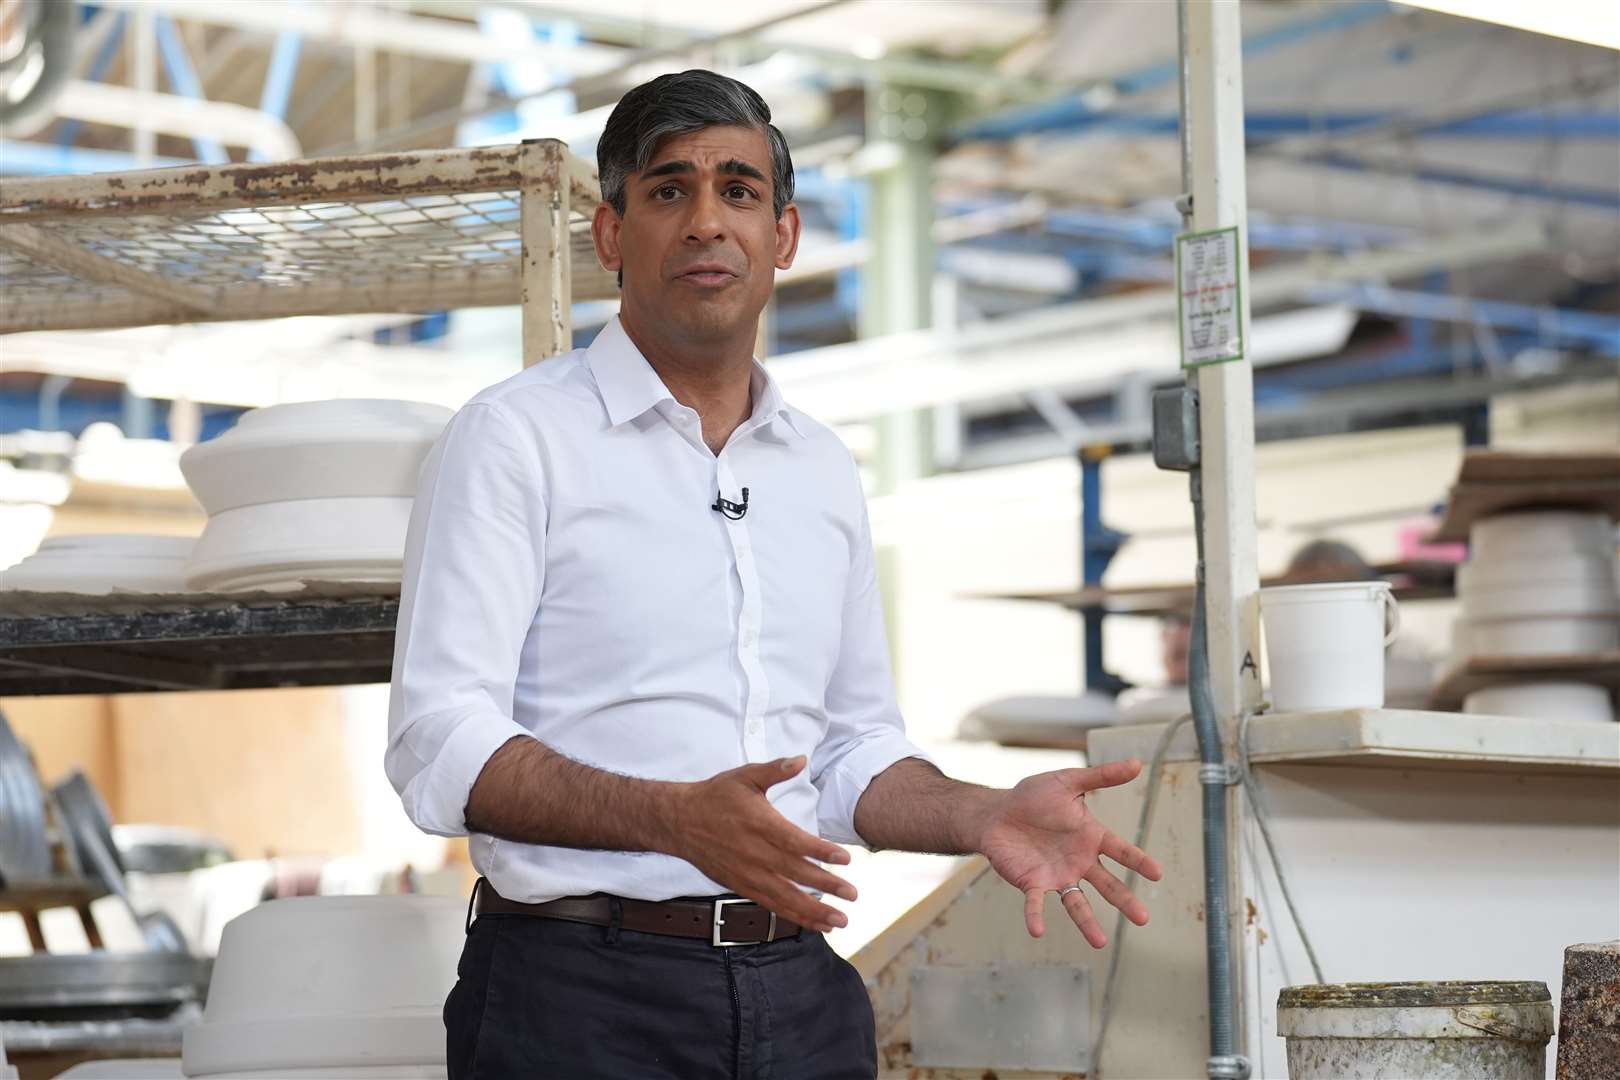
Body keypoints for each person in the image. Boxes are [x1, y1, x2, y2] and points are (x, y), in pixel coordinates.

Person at [387, 69, 1162, 1079]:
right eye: (669, 190)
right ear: (612, 236)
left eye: (738, 191)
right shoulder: (514, 439)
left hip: (800, 995)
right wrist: (671, 817)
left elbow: (849, 754)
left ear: (784, 236)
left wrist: (982, 812)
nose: (708, 221)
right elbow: (439, 743)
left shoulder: (820, 469)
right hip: (578, 1000)